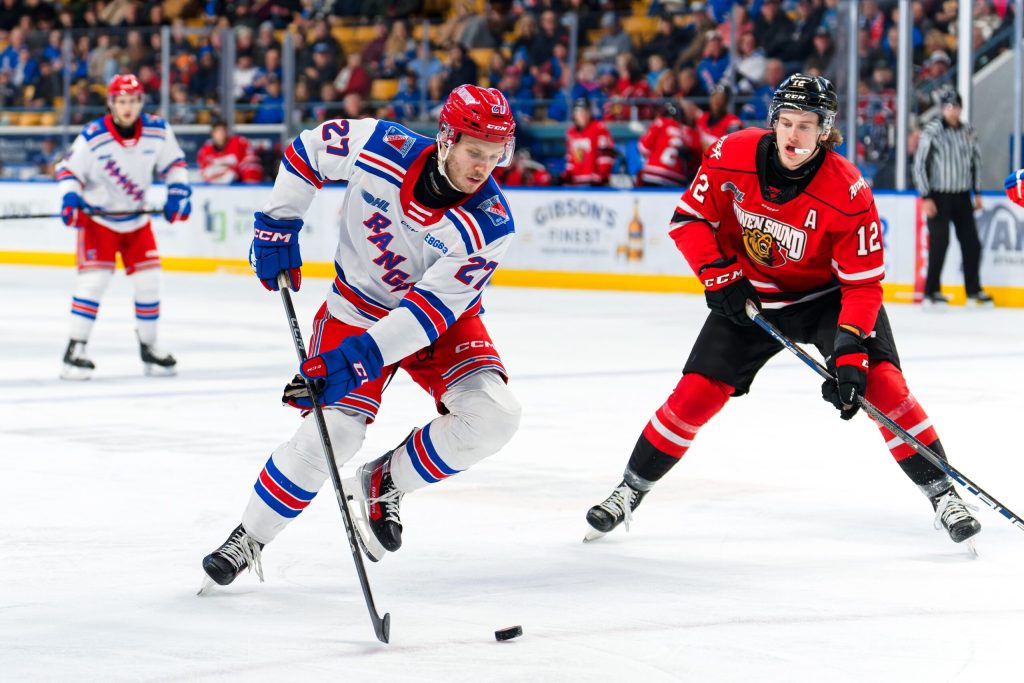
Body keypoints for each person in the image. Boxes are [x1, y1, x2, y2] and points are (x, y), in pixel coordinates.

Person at [584, 74, 981, 549]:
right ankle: (630, 489)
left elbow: (862, 283)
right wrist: (717, 275)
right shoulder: (731, 153)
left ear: (825, 130)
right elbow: (689, 219)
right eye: (786, 122)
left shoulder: (848, 190)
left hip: (826, 300)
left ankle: (943, 493)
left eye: (806, 125)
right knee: (695, 394)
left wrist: (850, 350)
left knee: (882, 386)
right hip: (752, 296)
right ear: (773, 121)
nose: (793, 136)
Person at [200, 85, 523, 588]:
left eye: (494, 156)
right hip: (356, 308)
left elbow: (428, 313)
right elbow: (307, 151)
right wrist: (277, 223)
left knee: (495, 416)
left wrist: (354, 361)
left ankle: (385, 480)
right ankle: (250, 536)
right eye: (473, 152)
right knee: (334, 431)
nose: (483, 167)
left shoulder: (490, 224)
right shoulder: (382, 146)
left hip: (438, 323)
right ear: (445, 139)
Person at [56, 73, 192, 380]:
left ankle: (149, 347)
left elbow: (175, 165)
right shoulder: (93, 136)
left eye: (132, 101)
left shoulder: (158, 131)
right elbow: (68, 171)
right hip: (99, 222)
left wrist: (178, 193)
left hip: (136, 221)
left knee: (150, 280)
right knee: (93, 283)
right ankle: (74, 350)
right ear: (111, 103)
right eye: (121, 101)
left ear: (140, 102)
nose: (127, 107)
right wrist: (70, 199)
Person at [912, 89, 992, 306]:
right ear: (943, 109)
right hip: (939, 195)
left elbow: (976, 162)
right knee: (940, 242)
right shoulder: (933, 130)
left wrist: (977, 192)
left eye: (956, 107)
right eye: (948, 107)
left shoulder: (968, 131)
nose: (952, 111)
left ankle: (973, 289)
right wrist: (926, 196)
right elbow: (920, 163)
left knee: (971, 243)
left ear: (960, 108)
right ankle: (932, 290)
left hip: (962, 195)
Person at [635, 101, 702, 187]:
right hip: (677, 178)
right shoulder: (692, 133)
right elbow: (696, 163)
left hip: (653, 173)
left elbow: (643, 147)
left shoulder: (661, 123)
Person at [563, 98, 615, 186]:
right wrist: (566, 177)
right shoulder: (571, 133)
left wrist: (600, 177)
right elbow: (571, 160)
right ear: (574, 114)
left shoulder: (599, 129)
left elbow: (606, 158)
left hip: (595, 186)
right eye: (579, 112)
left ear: (590, 113)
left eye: (585, 111)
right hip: (576, 184)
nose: (582, 115)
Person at [197, 119, 264, 184]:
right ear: (212, 133)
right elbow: (205, 174)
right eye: (217, 131)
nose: (221, 134)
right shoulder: (205, 150)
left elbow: (252, 167)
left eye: (223, 131)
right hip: (217, 188)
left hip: (240, 186)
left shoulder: (239, 143)